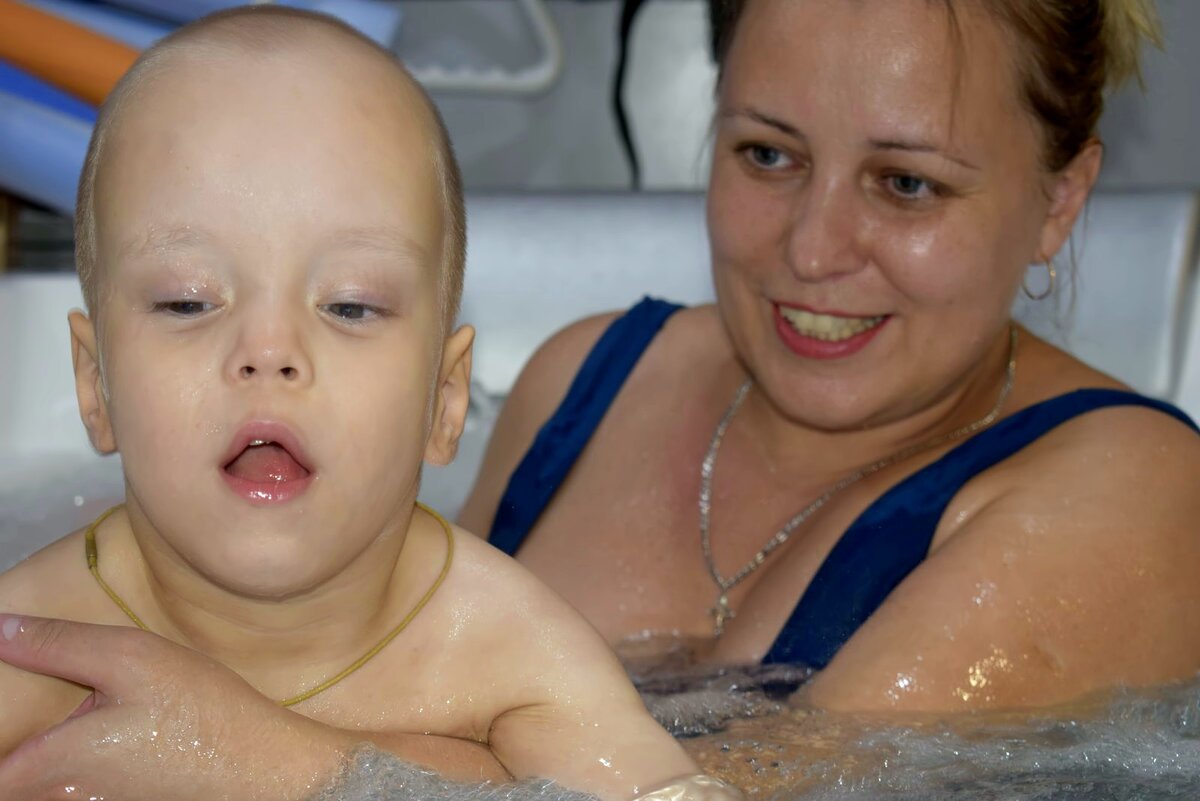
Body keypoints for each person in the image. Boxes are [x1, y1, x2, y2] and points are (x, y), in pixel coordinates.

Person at [0, 7, 726, 800]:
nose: (268, 349)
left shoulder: (503, 653)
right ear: (95, 383)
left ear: (445, 400)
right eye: (188, 301)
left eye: (349, 305)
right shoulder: (33, 648)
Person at [458, 0, 1200, 711]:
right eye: (768, 155)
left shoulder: (1138, 495)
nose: (812, 251)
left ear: (1060, 202)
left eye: (907, 184)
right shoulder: (583, 386)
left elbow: (742, 781)